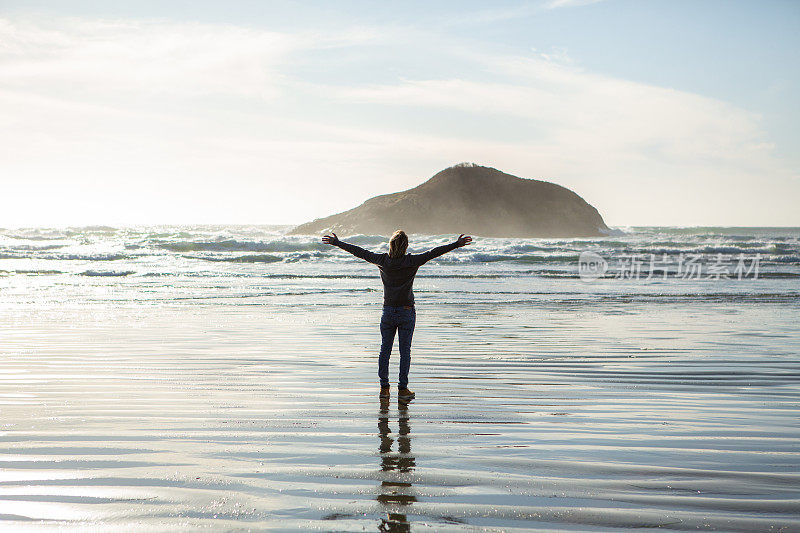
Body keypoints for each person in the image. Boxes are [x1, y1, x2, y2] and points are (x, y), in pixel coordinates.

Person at [322, 230, 472, 401]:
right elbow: (433, 253)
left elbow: (360, 252)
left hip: (388, 312)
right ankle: (402, 389)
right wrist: (456, 245)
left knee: (385, 350)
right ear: (406, 246)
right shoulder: (411, 261)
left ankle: (384, 389)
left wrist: (338, 243)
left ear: (390, 245)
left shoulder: (383, 261)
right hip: (406, 311)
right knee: (404, 352)